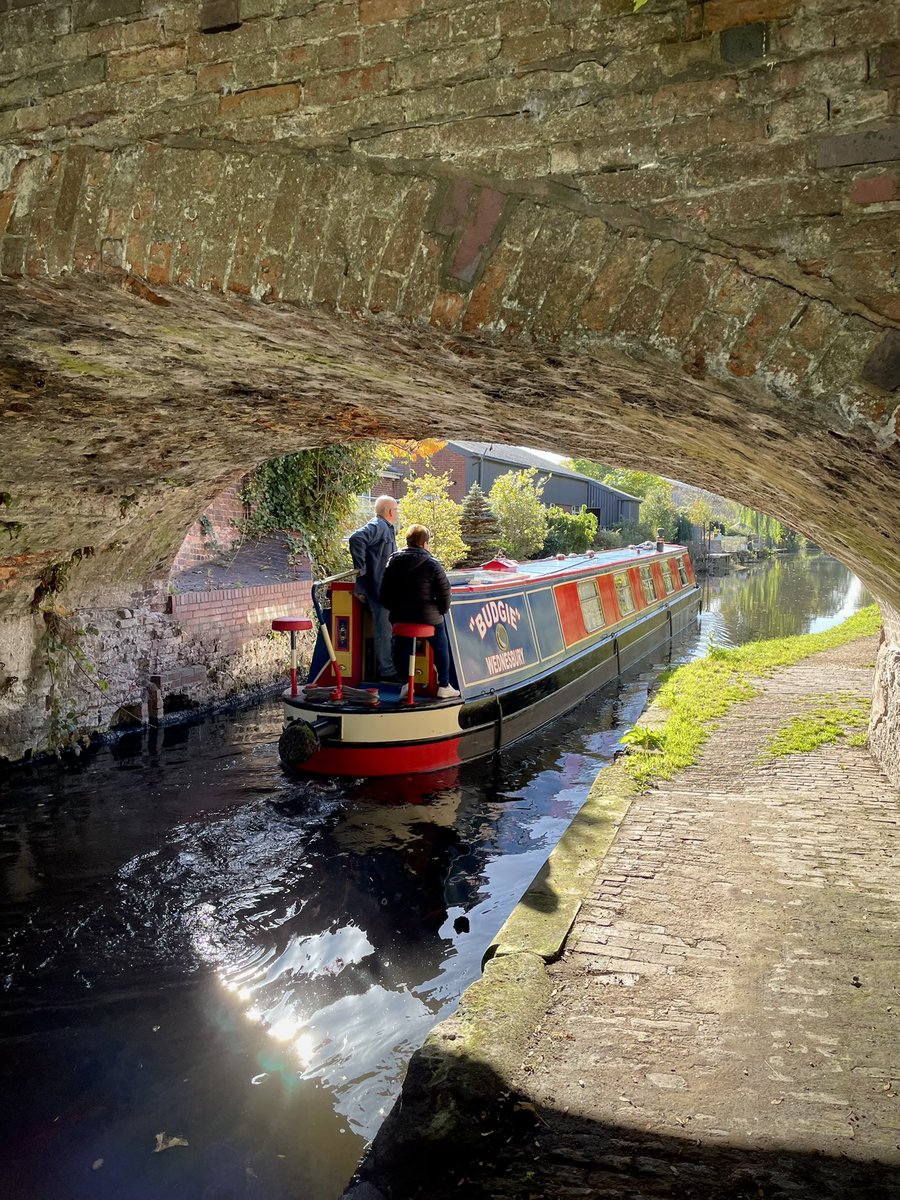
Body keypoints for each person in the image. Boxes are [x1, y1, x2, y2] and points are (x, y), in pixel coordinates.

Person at [380, 524, 460, 700]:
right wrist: (442, 611)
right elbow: (445, 593)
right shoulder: (433, 564)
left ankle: (406, 684)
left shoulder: (393, 562)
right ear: (425, 543)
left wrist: (394, 610)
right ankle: (444, 685)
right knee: (440, 645)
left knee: (401, 644)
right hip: (428, 617)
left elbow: (384, 593)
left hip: (400, 616)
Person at [349, 495, 400, 681]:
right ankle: (387, 671)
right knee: (384, 629)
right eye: (396, 510)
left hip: (384, 588)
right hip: (379, 589)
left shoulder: (386, 528)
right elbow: (356, 539)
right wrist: (361, 570)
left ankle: (390, 666)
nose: (397, 513)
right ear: (390, 512)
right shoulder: (378, 526)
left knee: (387, 628)